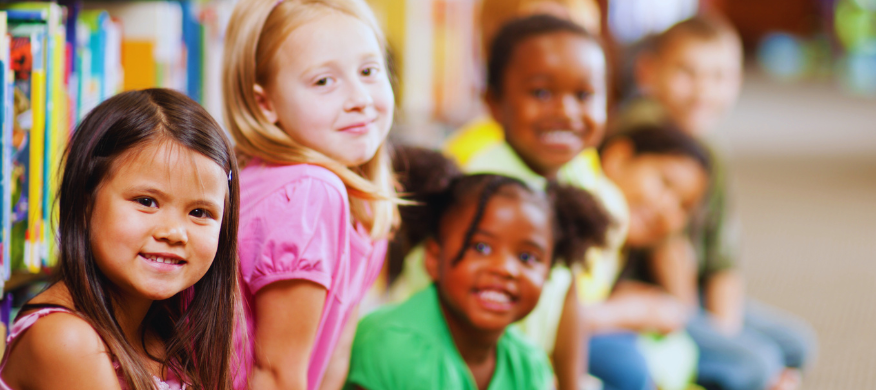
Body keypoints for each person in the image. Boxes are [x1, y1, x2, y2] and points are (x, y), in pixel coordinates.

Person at [0, 88, 242, 390]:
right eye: (147, 201)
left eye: (200, 212)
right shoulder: (66, 339)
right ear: (86, 202)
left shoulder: (163, 331)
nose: (175, 232)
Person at [622, 16, 817, 390]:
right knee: (756, 364)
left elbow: (723, 263)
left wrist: (724, 334)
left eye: (719, 77)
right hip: (646, 299)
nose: (702, 91)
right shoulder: (641, 136)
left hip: (689, 294)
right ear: (648, 73)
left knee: (797, 345)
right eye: (686, 72)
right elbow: (671, 258)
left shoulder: (713, 151)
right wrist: (728, 346)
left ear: (738, 81)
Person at [220, 0, 400, 389]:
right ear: (264, 103)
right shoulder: (309, 193)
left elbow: (337, 354)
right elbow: (275, 373)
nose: (360, 98)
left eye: (369, 71)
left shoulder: (364, 203)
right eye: (324, 81)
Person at [348, 163, 612, 390]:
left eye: (527, 258)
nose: (505, 269)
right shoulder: (389, 344)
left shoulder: (529, 366)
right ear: (433, 258)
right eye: (481, 248)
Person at [590, 122, 714, 390]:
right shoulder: (589, 214)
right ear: (619, 158)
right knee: (629, 364)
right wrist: (625, 311)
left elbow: (684, 309)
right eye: (664, 183)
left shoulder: (625, 244)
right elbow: (548, 319)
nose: (666, 208)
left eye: (683, 206)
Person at [445, 0, 603, 167]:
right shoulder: (470, 160)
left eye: (583, 95)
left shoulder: (583, 160)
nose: (566, 112)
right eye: (541, 93)